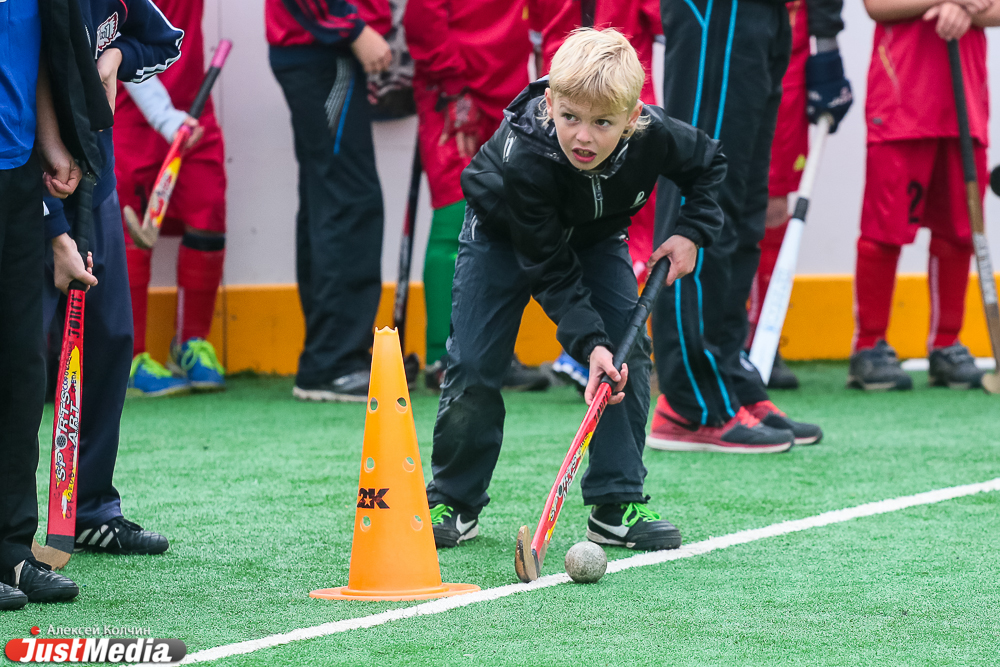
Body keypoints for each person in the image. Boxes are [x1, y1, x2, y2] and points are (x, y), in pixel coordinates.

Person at [427, 28, 727, 550]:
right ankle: (454, 499)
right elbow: (547, 266)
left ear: (633, 119)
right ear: (550, 104)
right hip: (504, 233)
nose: (583, 137)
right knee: (475, 364)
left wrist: (690, 233)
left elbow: (710, 166)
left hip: (593, 237)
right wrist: (590, 344)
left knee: (627, 359)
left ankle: (616, 503)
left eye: (602, 123)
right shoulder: (528, 155)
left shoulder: (654, 134)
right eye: (570, 118)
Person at [646, 0, 849, 453]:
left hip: (768, 14)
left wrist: (825, 37)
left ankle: (726, 374)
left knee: (742, 203)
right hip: (720, 10)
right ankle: (689, 401)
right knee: (701, 187)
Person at [40, 0, 183, 557]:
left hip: (96, 182)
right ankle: (12, 527)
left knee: (112, 337)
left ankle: (91, 507)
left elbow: (164, 40)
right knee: (25, 357)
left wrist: (117, 54)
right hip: (30, 181)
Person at [849, 0, 1000, 390]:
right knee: (884, 229)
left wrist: (964, 10)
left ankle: (947, 344)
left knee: (960, 230)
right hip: (900, 100)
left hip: (965, 102)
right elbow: (876, 6)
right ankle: (869, 346)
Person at [403, 0, 550, 392]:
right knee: (455, 216)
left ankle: (494, 352)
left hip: (509, 93)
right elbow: (422, 17)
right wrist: (454, 91)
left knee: (504, 221)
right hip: (456, 93)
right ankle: (443, 356)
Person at [529, 0, 662, 394]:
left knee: (600, 235)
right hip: (588, 114)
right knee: (618, 234)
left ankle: (588, 350)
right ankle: (585, 349)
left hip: (596, 112)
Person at [1, 0, 86, 610]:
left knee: (21, 370)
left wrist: (50, 142)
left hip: (15, 176)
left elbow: (35, 64)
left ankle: (10, 550)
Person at [266, 0, 393, 402]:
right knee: (349, 202)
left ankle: (330, 356)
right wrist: (354, 29)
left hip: (321, 47)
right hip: (324, 48)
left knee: (329, 199)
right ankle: (333, 362)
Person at [116, 0, 227, 398]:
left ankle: (193, 343)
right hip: (131, 113)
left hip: (194, 109)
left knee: (209, 210)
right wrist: (164, 116)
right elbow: (114, 41)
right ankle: (130, 357)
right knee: (128, 231)